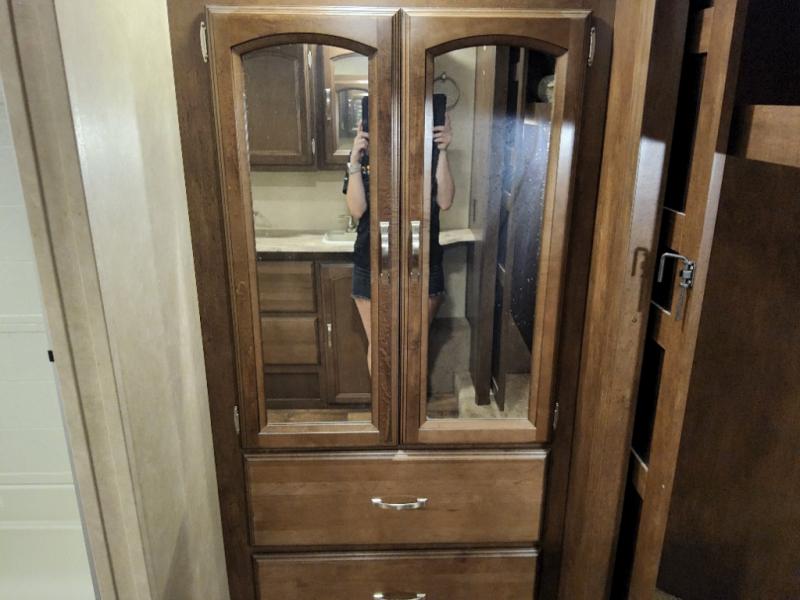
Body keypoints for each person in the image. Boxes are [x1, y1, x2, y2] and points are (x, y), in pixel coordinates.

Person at [344, 115, 455, 374]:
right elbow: (357, 210)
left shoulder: (430, 154)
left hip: (421, 259)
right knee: (380, 345)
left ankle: (411, 403)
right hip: (372, 260)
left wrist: (443, 151)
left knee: (414, 345)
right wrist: (354, 162)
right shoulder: (362, 158)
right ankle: (383, 402)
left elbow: (445, 201)